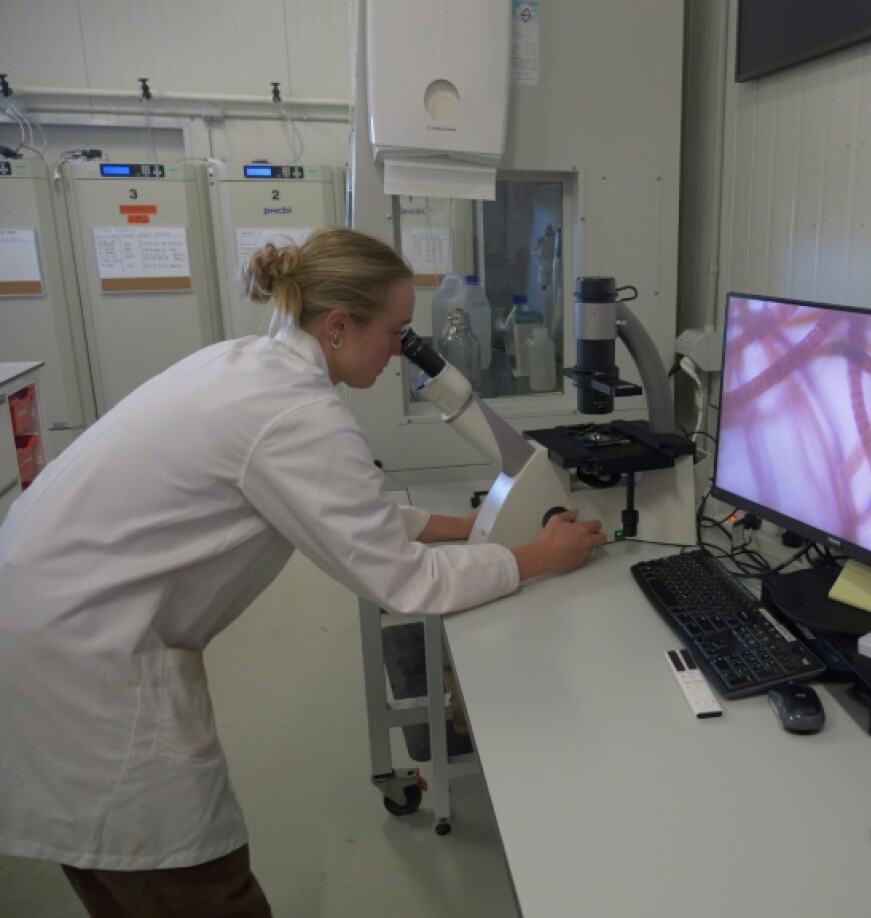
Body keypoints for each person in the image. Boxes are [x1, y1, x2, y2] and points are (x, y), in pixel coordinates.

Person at [0, 226, 607, 917]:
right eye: (397, 332)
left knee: (125, 886)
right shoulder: (299, 415)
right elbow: (404, 582)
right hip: (83, 665)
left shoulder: (247, 366)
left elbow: (342, 510)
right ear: (341, 325)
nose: (402, 353)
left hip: (38, 617)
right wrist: (539, 557)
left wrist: (472, 527)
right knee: (196, 885)